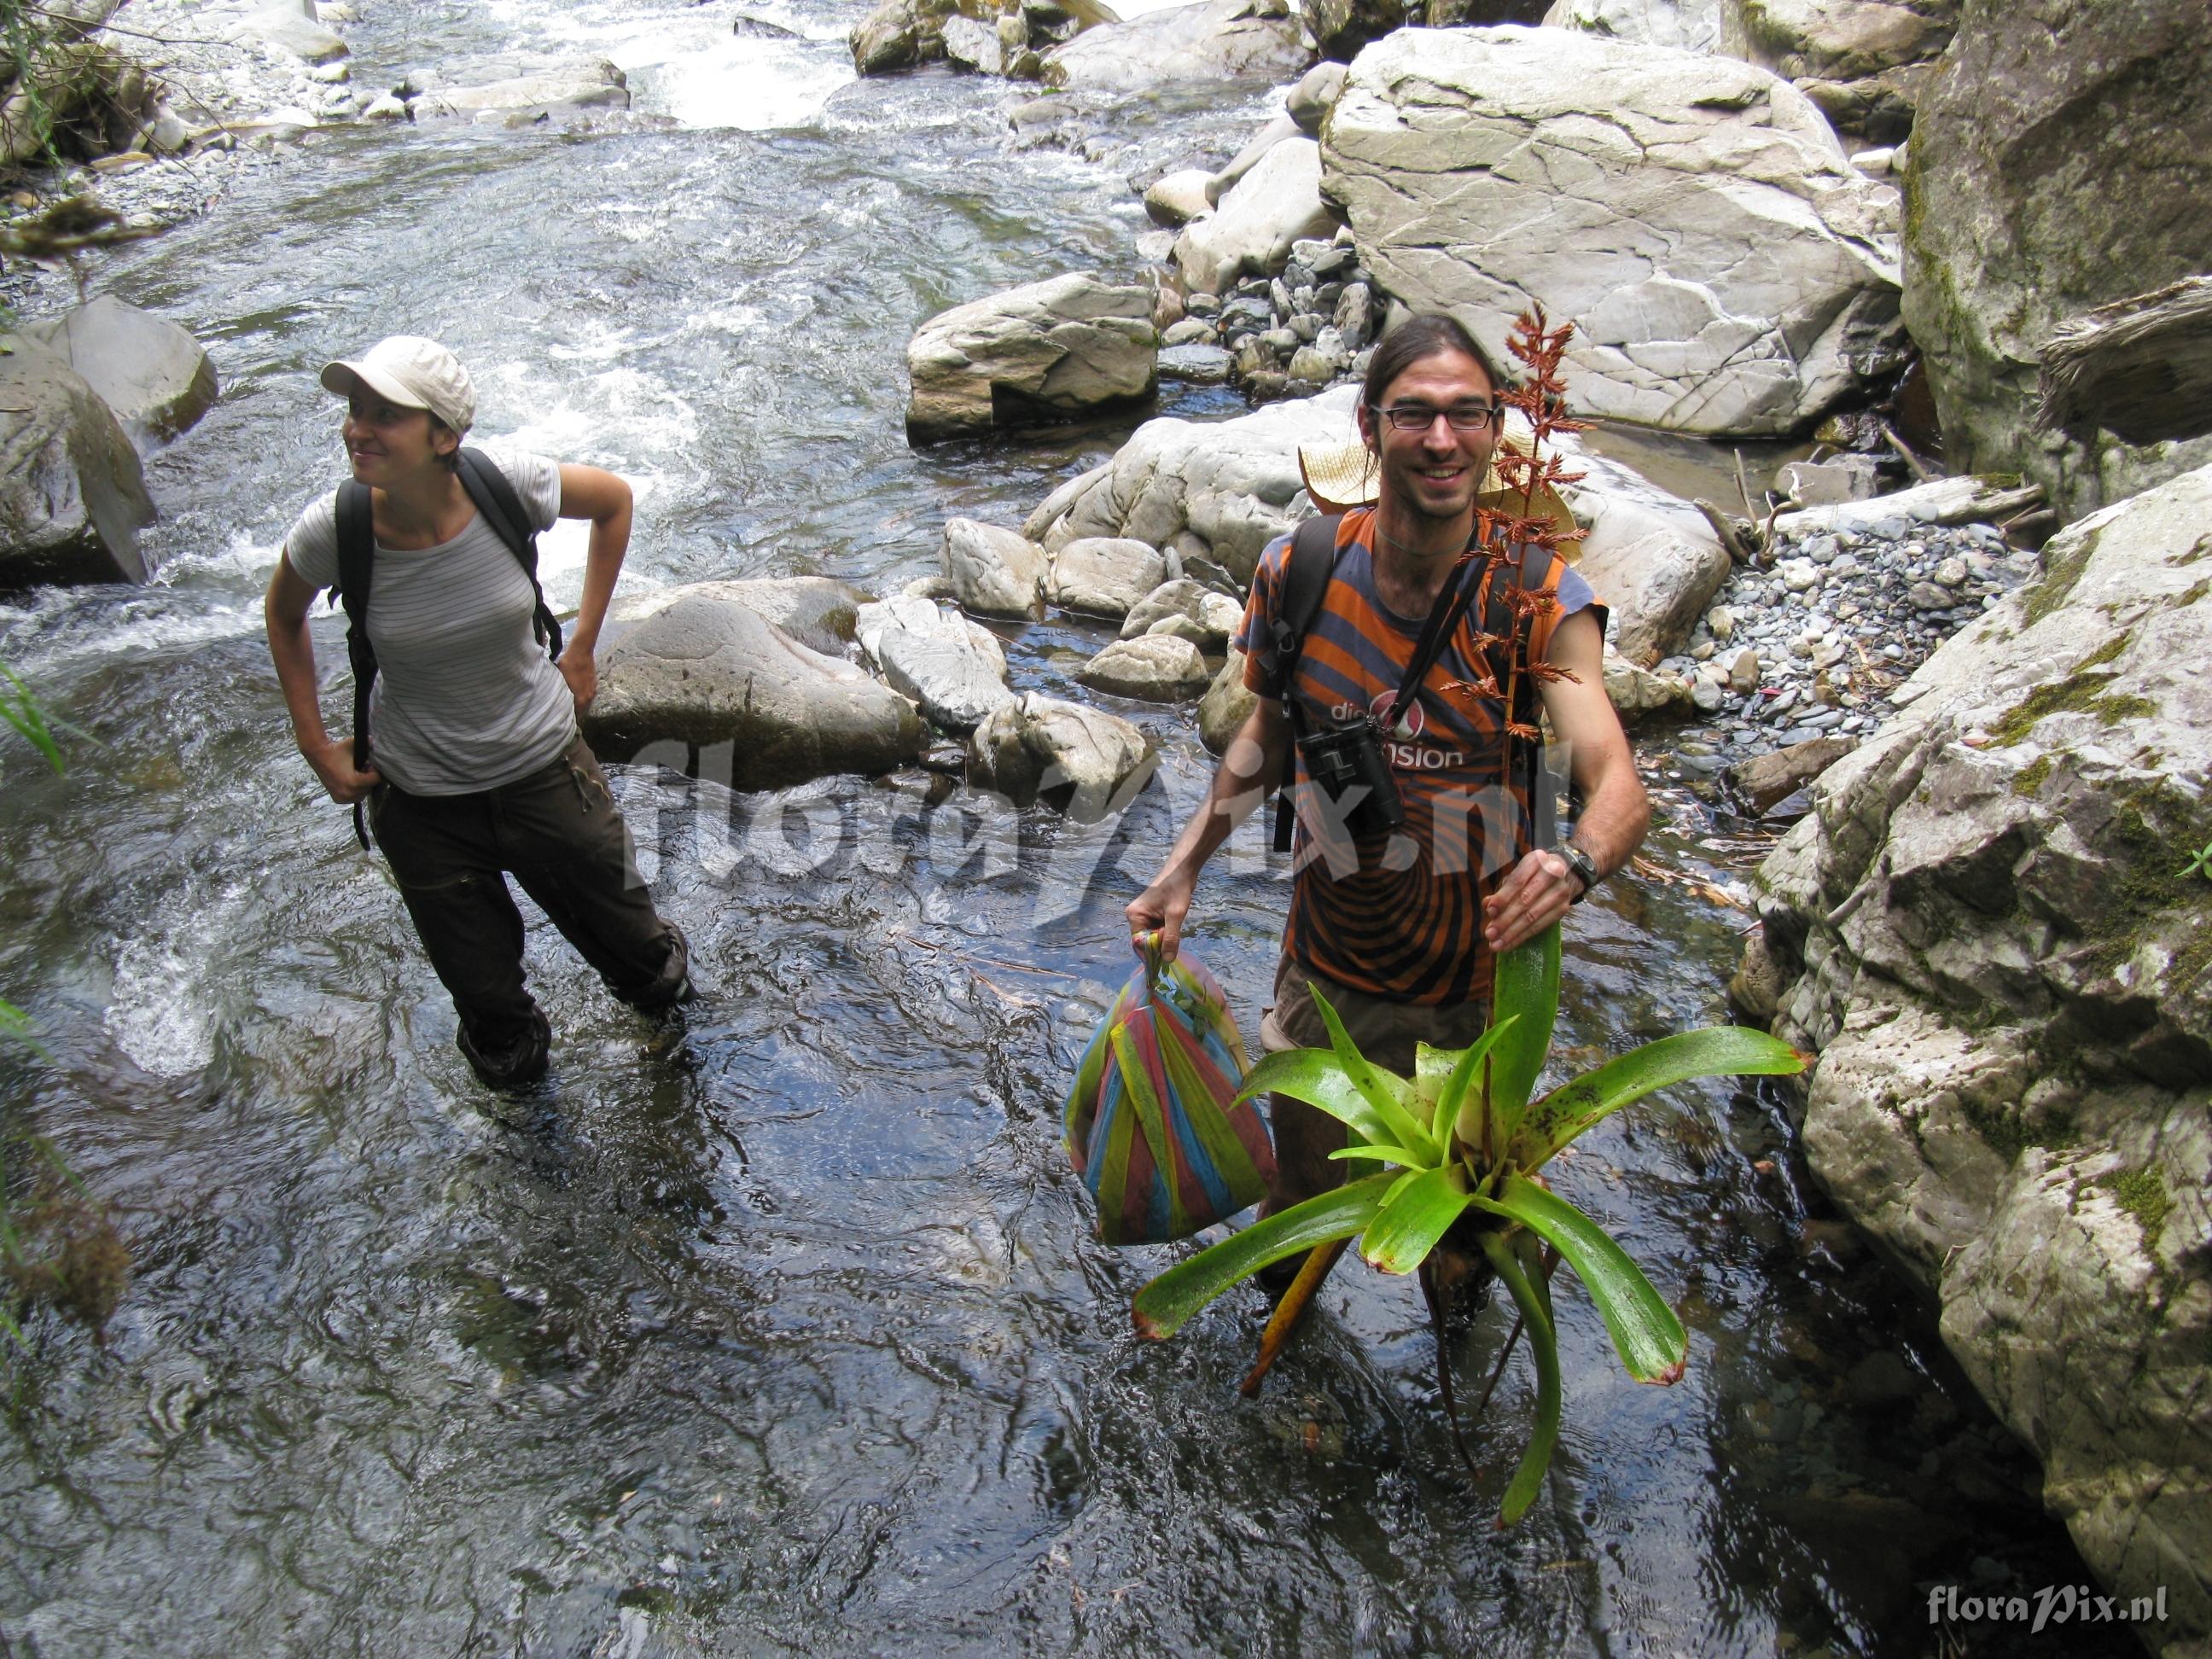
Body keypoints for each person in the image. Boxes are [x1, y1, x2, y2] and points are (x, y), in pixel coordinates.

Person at [1125, 312, 1650, 1223]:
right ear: (1370, 426)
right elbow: (1268, 735)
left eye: (1466, 413)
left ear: (1494, 430)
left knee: (1465, 1239)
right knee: (1298, 1208)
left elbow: (1617, 784)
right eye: (1414, 413)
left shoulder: (1535, 596)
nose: (1442, 439)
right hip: (1328, 974)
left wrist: (1575, 863)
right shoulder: (1301, 570)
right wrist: (1185, 867)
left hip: (1478, 993)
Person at [264, 335, 689, 1088]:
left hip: (546, 774)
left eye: (385, 415)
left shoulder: (507, 486)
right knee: (497, 1030)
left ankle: (679, 1086)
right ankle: (528, 1141)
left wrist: (583, 646)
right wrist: (314, 743)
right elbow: (283, 614)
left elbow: (614, 501)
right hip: (424, 807)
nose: (357, 429)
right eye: (355, 410)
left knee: (649, 971)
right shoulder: (337, 528)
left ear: (443, 437)